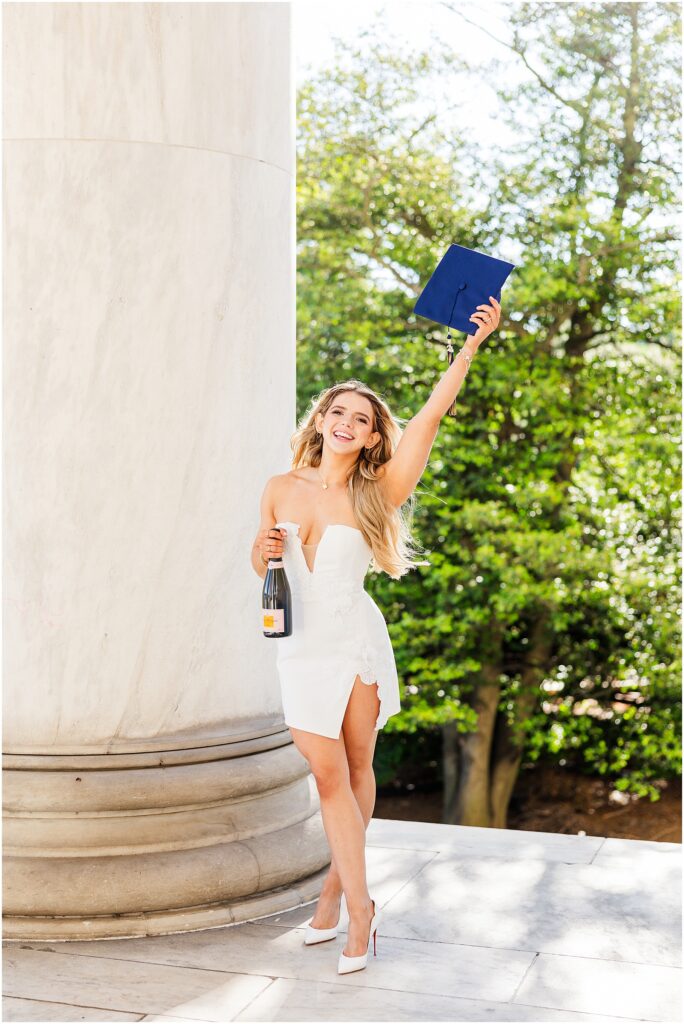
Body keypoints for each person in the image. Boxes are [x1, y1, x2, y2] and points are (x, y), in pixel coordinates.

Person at [251, 297, 501, 974]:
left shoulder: (374, 493)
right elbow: (260, 564)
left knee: (354, 772)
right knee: (326, 772)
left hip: (354, 642)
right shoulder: (280, 485)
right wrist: (268, 545)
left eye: (361, 420)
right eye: (339, 413)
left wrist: (471, 347)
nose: (347, 424)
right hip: (300, 651)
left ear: (369, 437)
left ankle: (347, 904)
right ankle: (348, 897)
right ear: (322, 420)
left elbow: (430, 417)